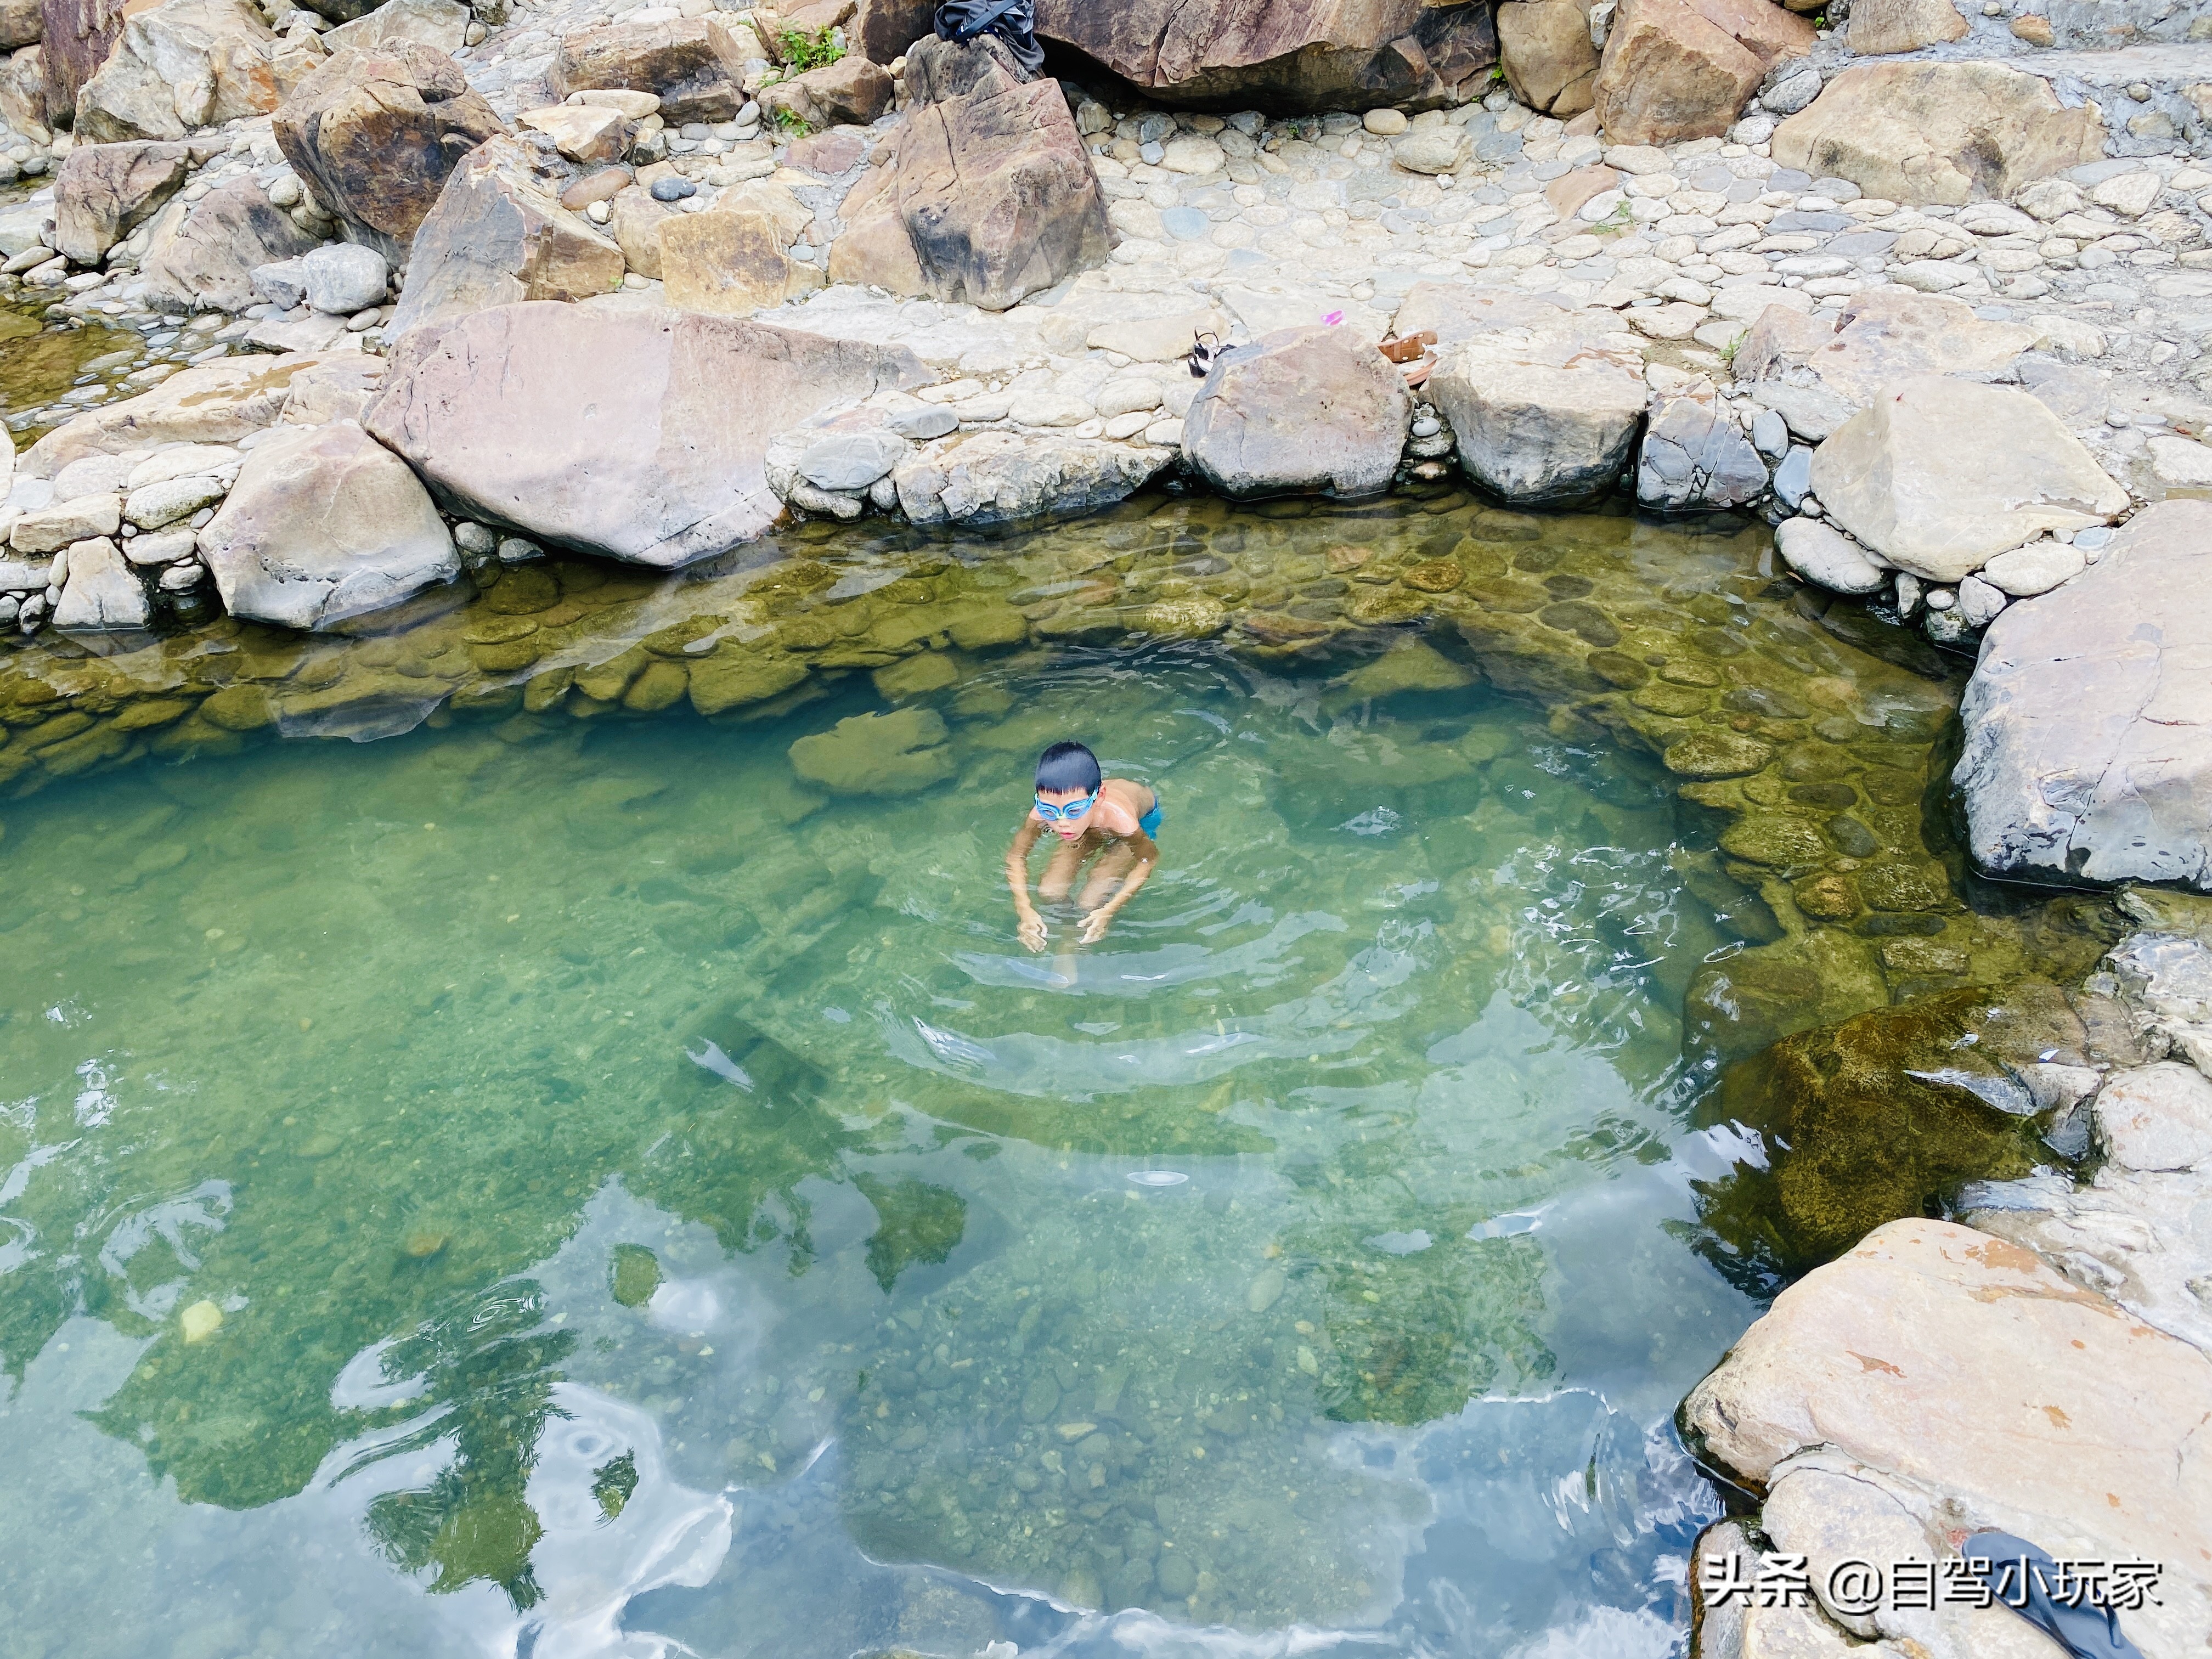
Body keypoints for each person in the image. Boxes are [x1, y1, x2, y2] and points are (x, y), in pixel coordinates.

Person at [1005, 741, 1160, 950]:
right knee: (1050, 892)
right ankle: (1069, 933)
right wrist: (1025, 910)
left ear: (1099, 797)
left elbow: (1148, 860)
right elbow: (1016, 857)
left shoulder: (1122, 821)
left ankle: (1073, 946)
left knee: (1091, 901)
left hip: (1140, 821)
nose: (1062, 824)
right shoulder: (1045, 814)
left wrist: (1109, 910)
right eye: (1049, 811)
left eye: (1074, 811)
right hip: (1087, 821)